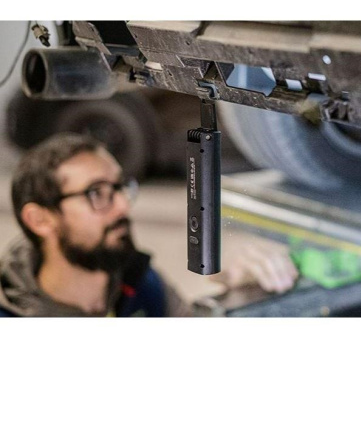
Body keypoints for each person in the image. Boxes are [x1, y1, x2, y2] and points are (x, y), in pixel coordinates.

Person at [0, 133, 298, 317]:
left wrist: (238, 292)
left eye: (120, 187)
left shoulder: (137, 279)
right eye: (96, 193)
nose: (123, 205)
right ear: (40, 220)